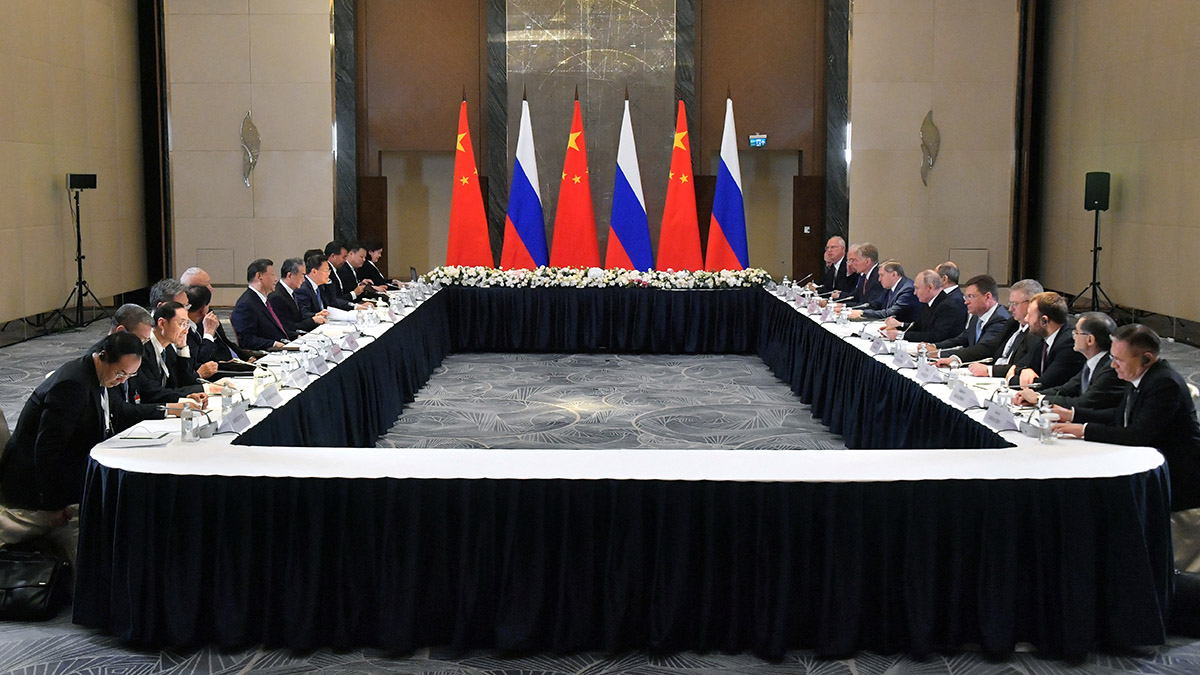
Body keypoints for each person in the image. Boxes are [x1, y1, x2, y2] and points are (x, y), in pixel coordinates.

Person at [0, 332, 144, 565]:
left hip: (65, 473)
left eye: (130, 375)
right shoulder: (73, 385)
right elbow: (47, 450)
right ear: (103, 356)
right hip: (33, 487)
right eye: (120, 373)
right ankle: (86, 587)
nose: (122, 381)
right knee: (94, 526)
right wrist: (52, 504)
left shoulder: (94, 374)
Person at [1053, 324, 1200, 513]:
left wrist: (1084, 430)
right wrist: (1073, 415)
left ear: (1146, 359)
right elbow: (1120, 414)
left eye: (1118, 359)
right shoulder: (1138, 374)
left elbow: (1137, 435)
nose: (1113, 365)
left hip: (1175, 477)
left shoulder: (1164, 383)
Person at [104, 304, 202, 431]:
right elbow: (121, 410)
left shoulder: (129, 357)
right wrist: (171, 408)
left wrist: (182, 400)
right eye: (141, 341)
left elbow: (148, 388)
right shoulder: (107, 360)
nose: (143, 347)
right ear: (121, 331)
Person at [1013, 311, 1123, 411]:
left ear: (1090, 340)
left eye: (1076, 332)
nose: (1073, 336)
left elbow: (1084, 402)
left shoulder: (1110, 368)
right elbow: (1066, 389)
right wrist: (1030, 394)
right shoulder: (1091, 363)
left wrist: (1039, 399)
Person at [131, 301, 215, 405]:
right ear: (162, 323)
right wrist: (207, 388)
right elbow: (151, 393)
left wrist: (182, 348)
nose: (185, 331)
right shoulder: (143, 350)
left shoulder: (168, 348)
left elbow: (182, 383)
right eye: (181, 324)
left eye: (186, 324)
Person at [1007, 291, 1084, 388]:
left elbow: (1042, 384)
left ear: (1044, 320)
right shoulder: (1042, 338)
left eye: (1030, 315)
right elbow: (1019, 365)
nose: (1026, 319)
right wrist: (1024, 370)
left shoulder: (1068, 344)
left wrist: (1010, 379)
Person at [179, 267, 256, 362]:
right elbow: (200, 359)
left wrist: (247, 358)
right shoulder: (187, 324)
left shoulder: (208, 312)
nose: (211, 288)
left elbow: (225, 341)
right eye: (206, 285)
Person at [926, 274, 1010, 357]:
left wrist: (939, 354)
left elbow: (980, 350)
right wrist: (935, 346)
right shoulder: (976, 317)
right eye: (966, 297)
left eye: (971, 296)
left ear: (987, 297)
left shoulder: (1000, 320)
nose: (966, 302)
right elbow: (961, 339)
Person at [883, 269, 965, 343]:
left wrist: (900, 335)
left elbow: (935, 336)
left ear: (930, 287)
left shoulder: (947, 306)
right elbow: (918, 326)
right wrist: (895, 330)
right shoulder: (928, 302)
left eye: (917, 288)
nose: (915, 293)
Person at [230, 259, 288, 351]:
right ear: (259, 276)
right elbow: (246, 340)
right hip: (268, 354)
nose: (276, 279)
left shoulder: (263, 300)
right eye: (272, 275)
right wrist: (274, 344)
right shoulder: (246, 304)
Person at [269, 257, 329, 339]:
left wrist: (315, 316)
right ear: (290, 275)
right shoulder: (277, 296)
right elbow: (288, 327)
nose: (304, 280)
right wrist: (313, 320)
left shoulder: (291, 292)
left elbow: (299, 317)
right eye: (302, 275)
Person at [848, 259, 918, 322]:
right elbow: (876, 304)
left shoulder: (907, 290)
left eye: (882, 275)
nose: (879, 279)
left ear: (894, 274)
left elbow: (891, 313)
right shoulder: (889, 287)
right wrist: (851, 309)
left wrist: (862, 313)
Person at [834, 243, 885, 309]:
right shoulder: (863, 276)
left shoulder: (879, 277)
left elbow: (870, 305)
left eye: (856, 260)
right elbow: (855, 297)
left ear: (867, 261)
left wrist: (844, 307)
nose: (853, 264)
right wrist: (839, 304)